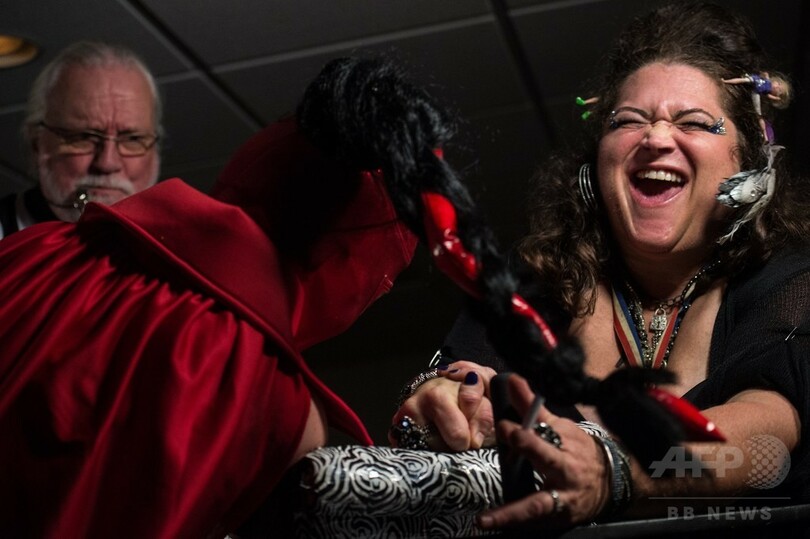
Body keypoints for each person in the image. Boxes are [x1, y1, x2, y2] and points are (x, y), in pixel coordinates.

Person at [0, 54, 491, 537]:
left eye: (131, 138)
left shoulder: (34, 250)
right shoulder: (281, 411)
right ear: (346, 269)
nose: (108, 160)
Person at [391, 1, 810, 531]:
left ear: (748, 169)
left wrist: (616, 473)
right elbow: (453, 390)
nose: (655, 138)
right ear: (597, 165)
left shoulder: (789, 282)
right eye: (628, 121)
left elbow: (764, 440)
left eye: (694, 123)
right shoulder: (530, 284)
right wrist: (442, 403)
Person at [0, 40, 161, 239]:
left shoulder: (182, 246)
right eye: (83, 137)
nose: (107, 163)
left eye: (132, 139)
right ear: (37, 143)